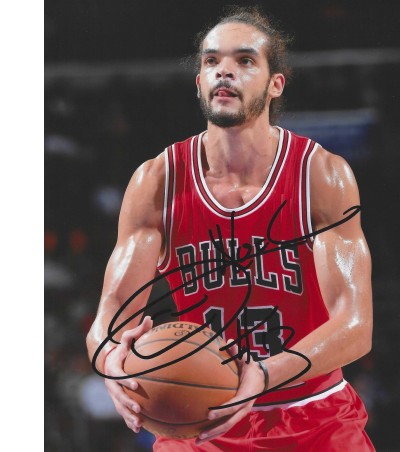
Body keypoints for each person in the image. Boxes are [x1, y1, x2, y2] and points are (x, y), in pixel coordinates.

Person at [86, 6, 375, 451]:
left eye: (244, 60)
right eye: (211, 60)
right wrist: (111, 361)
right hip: (200, 422)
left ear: (275, 84)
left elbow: (355, 324)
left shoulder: (320, 175)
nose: (224, 70)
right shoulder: (157, 181)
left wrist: (263, 375)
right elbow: (110, 314)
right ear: (199, 82)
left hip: (312, 414)